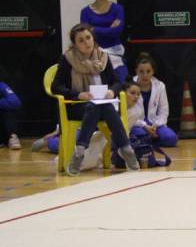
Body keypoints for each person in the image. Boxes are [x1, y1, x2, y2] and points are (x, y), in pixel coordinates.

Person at [50, 23, 140, 175]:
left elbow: (117, 82)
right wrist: (77, 94)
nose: (86, 43)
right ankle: (126, 148)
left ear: (93, 38)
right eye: (81, 40)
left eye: (88, 38)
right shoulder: (68, 59)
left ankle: (79, 151)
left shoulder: (103, 56)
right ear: (75, 44)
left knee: (102, 107)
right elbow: (56, 86)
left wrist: (112, 91)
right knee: (97, 107)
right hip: (77, 104)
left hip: (102, 103)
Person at [80, 0, 128, 83]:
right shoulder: (85, 12)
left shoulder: (118, 9)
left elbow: (117, 31)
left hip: (116, 55)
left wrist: (94, 29)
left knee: (122, 87)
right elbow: (86, 36)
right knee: (99, 93)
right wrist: (109, 29)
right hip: (94, 57)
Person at [132, 53, 177, 147]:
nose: (145, 75)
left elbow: (164, 111)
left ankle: (147, 142)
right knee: (138, 135)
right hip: (137, 124)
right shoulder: (129, 86)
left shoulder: (160, 86)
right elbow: (128, 113)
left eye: (148, 71)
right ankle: (148, 140)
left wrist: (155, 126)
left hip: (154, 125)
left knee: (171, 138)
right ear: (136, 71)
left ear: (153, 72)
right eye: (141, 71)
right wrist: (144, 126)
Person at [0, 80, 22, 149]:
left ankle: (12, 137)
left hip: (3, 132)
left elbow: (15, 102)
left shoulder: (1, 85)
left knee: (8, 111)